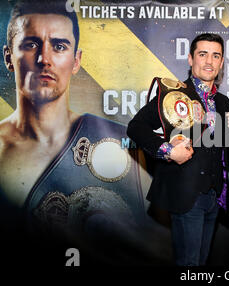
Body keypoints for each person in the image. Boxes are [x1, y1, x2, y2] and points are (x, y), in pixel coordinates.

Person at [0, 0, 152, 265]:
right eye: (30, 44)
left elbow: (154, 244)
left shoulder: (123, 143)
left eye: (59, 46)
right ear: (8, 57)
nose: (44, 59)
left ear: (76, 61)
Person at [127, 33, 229, 266]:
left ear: (221, 62)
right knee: (189, 263)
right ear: (190, 59)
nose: (209, 61)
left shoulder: (222, 102)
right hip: (185, 193)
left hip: (214, 196)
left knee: (200, 261)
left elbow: (227, 155)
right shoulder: (173, 93)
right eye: (203, 54)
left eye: (215, 56)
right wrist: (167, 151)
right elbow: (136, 127)